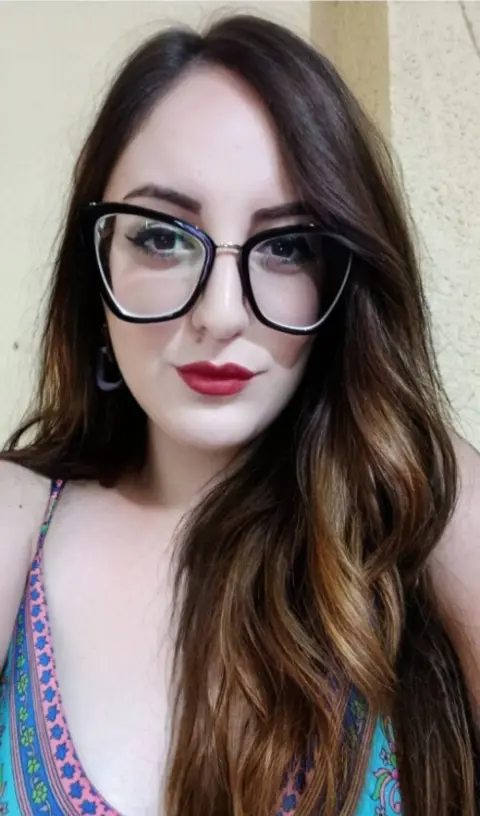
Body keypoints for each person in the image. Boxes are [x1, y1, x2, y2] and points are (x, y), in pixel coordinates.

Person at [0, 12, 479, 816]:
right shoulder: (17, 520)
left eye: (288, 245)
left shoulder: (420, 509)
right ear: (97, 265)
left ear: (342, 279)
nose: (221, 314)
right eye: (162, 238)